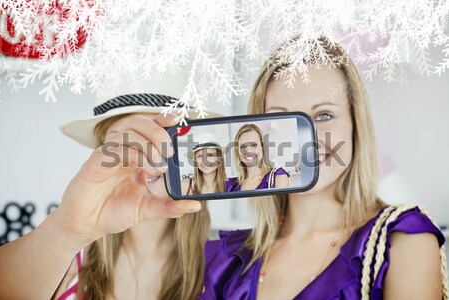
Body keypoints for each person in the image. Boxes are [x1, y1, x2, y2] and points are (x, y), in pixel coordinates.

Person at [200, 38, 447, 300]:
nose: (306, 137)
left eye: (324, 115)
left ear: (354, 124)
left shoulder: (403, 242)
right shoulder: (228, 260)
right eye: (283, 118)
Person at [50, 93, 213, 300]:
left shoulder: (224, 267)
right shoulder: (63, 258)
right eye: (122, 142)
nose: (139, 155)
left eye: (157, 137)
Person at [226, 123, 290, 192]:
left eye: (254, 145)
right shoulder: (231, 185)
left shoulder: (278, 177)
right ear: (237, 151)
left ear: (262, 147)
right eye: (243, 146)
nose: (249, 151)